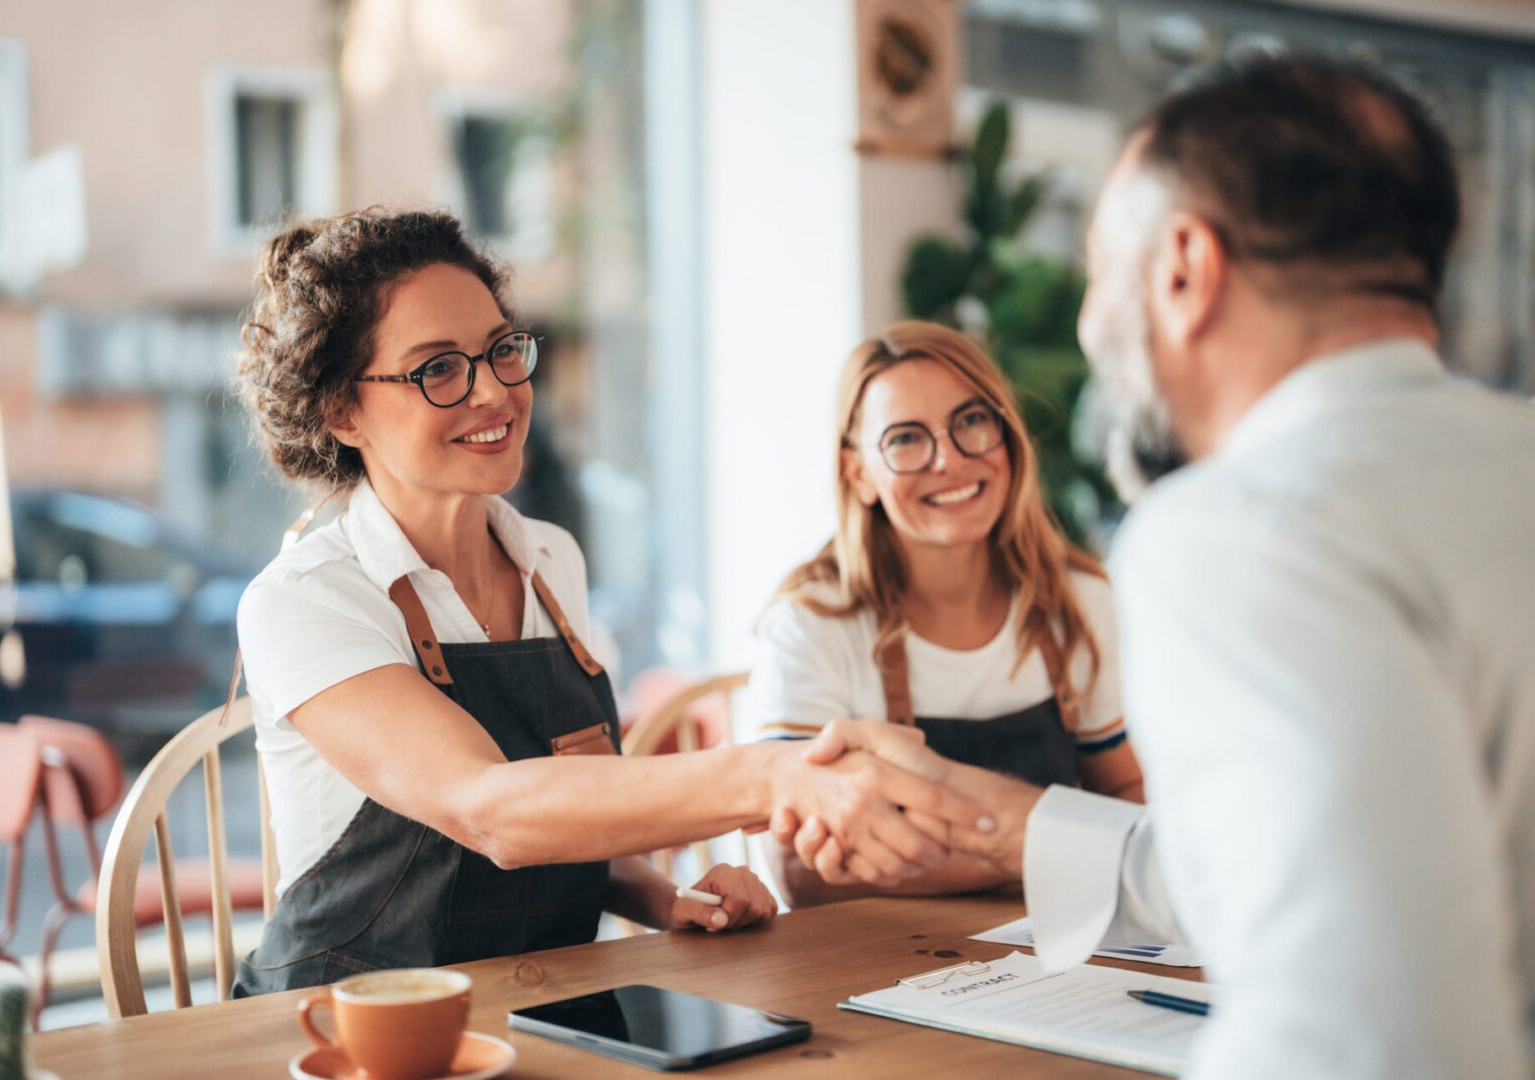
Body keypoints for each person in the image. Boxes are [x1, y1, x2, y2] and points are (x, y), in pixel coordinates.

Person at [773, 53, 1535, 1077]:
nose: (1091, 322)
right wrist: (992, 815)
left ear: (1184, 267)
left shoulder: (1243, 527)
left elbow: (1365, 1029)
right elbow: (1301, 866)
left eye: (1101, 268)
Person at [228, 209, 990, 995]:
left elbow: (573, 795)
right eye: (438, 369)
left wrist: (665, 897)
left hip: (537, 1004)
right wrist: (774, 774)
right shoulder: (305, 600)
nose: (493, 391)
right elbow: (491, 809)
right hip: (342, 1032)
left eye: (499, 351)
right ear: (340, 411)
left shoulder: (552, 559)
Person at [746, 321, 1142, 905]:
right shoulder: (812, 624)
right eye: (907, 438)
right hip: (883, 967)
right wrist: (1047, 851)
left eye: (972, 422)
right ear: (859, 474)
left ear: (1006, 436)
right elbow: (801, 873)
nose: (949, 461)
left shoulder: (1079, 602)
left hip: (1059, 950)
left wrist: (945, 856)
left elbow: (1130, 794)